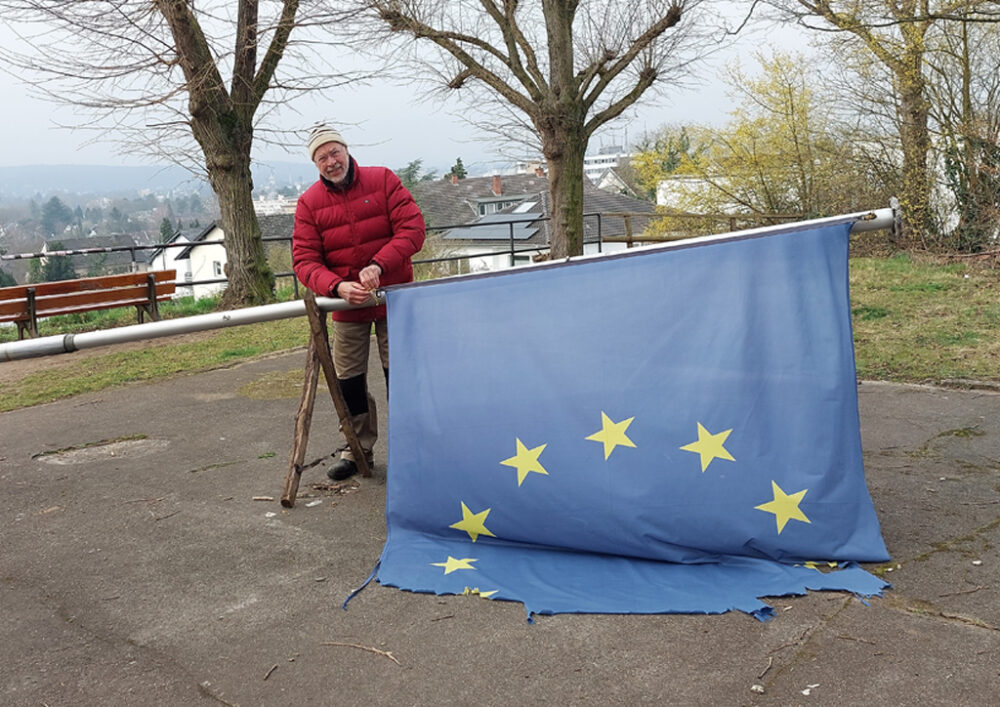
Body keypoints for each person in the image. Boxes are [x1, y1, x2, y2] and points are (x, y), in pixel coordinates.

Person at [292, 123, 425, 480]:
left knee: (401, 376)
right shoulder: (308, 203)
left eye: (334, 152)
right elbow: (304, 261)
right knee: (348, 381)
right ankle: (356, 447)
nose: (331, 161)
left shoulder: (382, 180)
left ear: (346, 150)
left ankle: (412, 447)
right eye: (322, 157)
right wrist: (336, 287)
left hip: (393, 298)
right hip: (345, 308)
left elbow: (413, 229)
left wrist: (380, 264)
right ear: (315, 164)